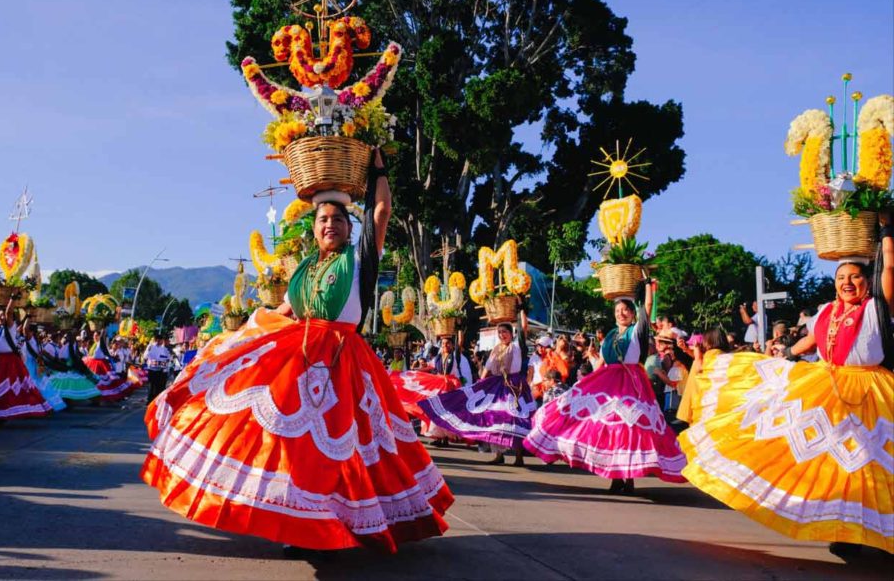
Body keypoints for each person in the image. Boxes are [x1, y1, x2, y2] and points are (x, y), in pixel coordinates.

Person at [141, 150, 452, 554]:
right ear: (315, 228)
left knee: (348, 452)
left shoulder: (360, 260)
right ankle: (301, 524)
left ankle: (341, 523)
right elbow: (284, 312)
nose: (330, 225)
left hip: (344, 361)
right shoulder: (304, 269)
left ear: (347, 227)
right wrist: (240, 341)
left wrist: (378, 169)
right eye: (323, 220)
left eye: (338, 220)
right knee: (288, 446)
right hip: (298, 360)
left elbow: (381, 211)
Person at [680, 227, 894, 557]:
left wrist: (886, 232)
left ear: (868, 281)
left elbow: (890, 267)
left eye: (855, 277)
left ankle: (871, 535)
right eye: (841, 277)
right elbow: (811, 341)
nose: (847, 282)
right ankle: (843, 532)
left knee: (869, 466)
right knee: (830, 467)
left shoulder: (877, 308)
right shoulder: (826, 311)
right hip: (827, 387)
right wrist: (789, 354)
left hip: (872, 392)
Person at [524, 280, 687, 493]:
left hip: (631, 383)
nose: (621, 314)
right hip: (608, 381)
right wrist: (585, 383)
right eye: (618, 311)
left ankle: (628, 479)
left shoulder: (636, 331)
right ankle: (616, 476)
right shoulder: (609, 336)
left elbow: (646, 309)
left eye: (625, 310)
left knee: (628, 428)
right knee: (607, 427)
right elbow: (601, 361)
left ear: (632, 313)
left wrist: (647, 286)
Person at [419, 313, 537, 466]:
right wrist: (480, 383)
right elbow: (487, 367)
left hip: (513, 386)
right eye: (500, 332)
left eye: (505, 332)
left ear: (511, 334)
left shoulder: (515, 347)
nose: (502, 335)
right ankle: (498, 454)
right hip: (496, 385)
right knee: (493, 417)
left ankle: (519, 456)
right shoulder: (496, 349)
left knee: (515, 419)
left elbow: (522, 339)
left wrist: (521, 310)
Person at [0, 300, 52, 421]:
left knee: (2, 391)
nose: (0, 317)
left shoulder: (10, 327)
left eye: (3, 315)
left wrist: (13, 298)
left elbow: (10, 312)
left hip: (5, 364)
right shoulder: (0, 330)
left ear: (11, 318)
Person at [19, 320, 66, 413]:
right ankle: (46, 406)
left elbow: (24, 329)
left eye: (28, 331)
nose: (26, 332)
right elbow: (43, 353)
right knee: (41, 387)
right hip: (35, 365)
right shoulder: (37, 341)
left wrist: (28, 316)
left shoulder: (31, 340)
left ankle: (39, 407)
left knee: (32, 387)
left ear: (31, 332)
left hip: (30, 366)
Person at [143, 335, 172, 403]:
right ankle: (150, 400)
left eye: (161, 340)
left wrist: (165, 361)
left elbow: (168, 358)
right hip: (152, 369)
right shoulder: (151, 347)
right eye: (158, 340)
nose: (160, 341)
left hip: (160, 370)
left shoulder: (164, 349)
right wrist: (151, 360)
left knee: (159, 386)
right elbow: (145, 356)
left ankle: (157, 400)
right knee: (151, 385)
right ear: (156, 340)